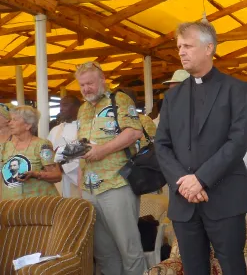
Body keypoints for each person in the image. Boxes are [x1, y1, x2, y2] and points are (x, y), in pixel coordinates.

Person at [155, 20, 247, 275]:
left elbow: (237, 141)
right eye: (179, 46)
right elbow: (162, 145)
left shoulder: (235, 89)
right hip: (184, 201)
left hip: (224, 196)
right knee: (193, 269)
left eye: (187, 46)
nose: (181, 52)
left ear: (209, 48)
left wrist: (201, 179)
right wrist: (185, 183)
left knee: (232, 267)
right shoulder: (172, 98)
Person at [75, 61, 147, 275]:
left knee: (129, 250)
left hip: (116, 184)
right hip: (90, 189)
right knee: (103, 252)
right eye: (82, 85)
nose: (86, 89)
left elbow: (134, 132)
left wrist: (103, 150)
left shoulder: (119, 100)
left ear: (102, 80)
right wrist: (80, 187)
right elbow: (83, 149)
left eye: (90, 83)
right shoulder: (82, 109)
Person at [1, 106, 61, 201]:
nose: (10, 123)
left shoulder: (42, 145)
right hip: (11, 206)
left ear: (28, 125)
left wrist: (36, 174)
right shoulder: (5, 147)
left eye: (14, 120)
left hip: (38, 206)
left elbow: (57, 175)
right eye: (10, 119)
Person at [48, 95, 83, 198]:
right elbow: (49, 153)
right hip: (57, 178)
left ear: (78, 107)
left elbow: (86, 152)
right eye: (60, 105)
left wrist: (64, 167)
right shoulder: (55, 130)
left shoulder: (83, 128)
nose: (61, 109)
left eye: (65, 105)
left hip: (75, 176)